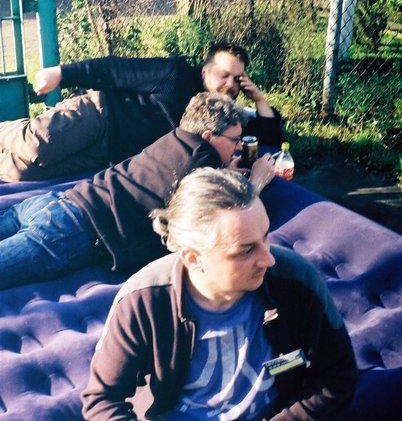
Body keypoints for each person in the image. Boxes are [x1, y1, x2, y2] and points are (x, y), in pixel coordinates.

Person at [78, 167, 374, 421]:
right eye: (246, 250)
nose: (268, 258)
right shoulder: (143, 299)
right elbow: (102, 399)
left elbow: (337, 376)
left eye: (265, 237)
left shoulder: (295, 280)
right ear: (193, 258)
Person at [0, 93, 275, 289]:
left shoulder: (174, 138)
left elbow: (182, 176)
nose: (238, 146)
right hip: (71, 231)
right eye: (234, 140)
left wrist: (225, 169)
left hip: (54, 203)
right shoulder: (203, 160)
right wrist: (257, 181)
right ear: (207, 137)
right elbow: (230, 212)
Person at [0, 42, 284, 181]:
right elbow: (116, 69)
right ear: (205, 71)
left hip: (107, 154)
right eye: (224, 75)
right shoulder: (175, 74)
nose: (230, 84)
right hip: (100, 116)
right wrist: (61, 73)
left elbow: (269, 140)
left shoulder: (223, 115)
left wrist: (259, 99)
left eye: (237, 79)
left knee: (20, 172)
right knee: (37, 145)